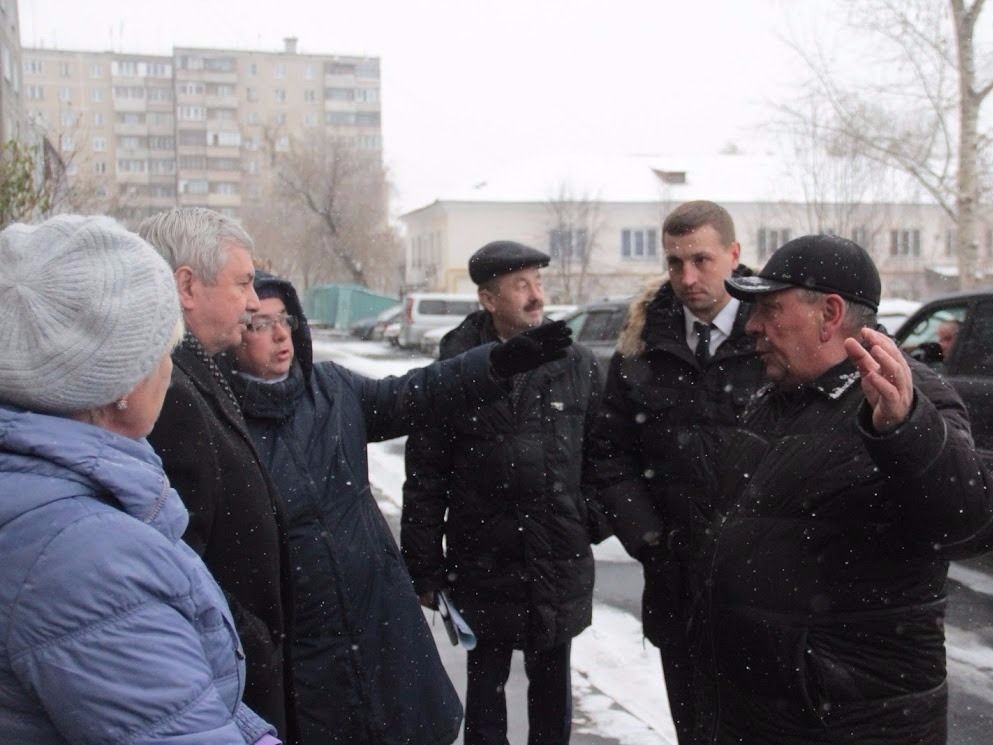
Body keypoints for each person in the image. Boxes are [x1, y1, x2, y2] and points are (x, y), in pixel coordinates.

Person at [221, 272, 571, 745]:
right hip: (300, 644)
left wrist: (495, 363)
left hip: (377, 619)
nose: (281, 334)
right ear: (230, 335)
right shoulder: (223, 424)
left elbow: (417, 392)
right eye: (259, 325)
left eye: (284, 319)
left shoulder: (332, 390)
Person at [689, 234, 993, 744]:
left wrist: (906, 431)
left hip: (848, 723)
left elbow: (967, 520)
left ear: (829, 314)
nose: (754, 325)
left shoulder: (902, 396)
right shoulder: (776, 397)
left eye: (769, 308)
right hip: (756, 713)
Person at [0, 215, 278, 743]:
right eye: (160, 348)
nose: (168, 369)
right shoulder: (84, 557)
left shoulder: (44, 502)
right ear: (119, 381)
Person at [402, 240, 605, 745]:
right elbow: (426, 473)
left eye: (538, 282)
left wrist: (587, 520)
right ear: (488, 300)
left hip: (557, 559)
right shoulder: (454, 367)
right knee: (486, 695)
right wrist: (423, 564)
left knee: (552, 696)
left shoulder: (574, 363)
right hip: (484, 559)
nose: (536, 296)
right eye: (521, 286)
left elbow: (604, 454)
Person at [587, 200, 765, 743]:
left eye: (702, 260)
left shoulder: (774, 332)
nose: (687, 278)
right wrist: (650, 539)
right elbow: (609, 454)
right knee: (693, 723)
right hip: (676, 577)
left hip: (766, 580)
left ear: (733, 255)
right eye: (674, 263)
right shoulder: (641, 345)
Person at [140, 207, 296, 741]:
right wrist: (250, 639)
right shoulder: (165, 390)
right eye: (244, 283)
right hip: (226, 687)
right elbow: (178, 561)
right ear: (186, 285)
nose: (254, 302)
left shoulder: (195, 367)